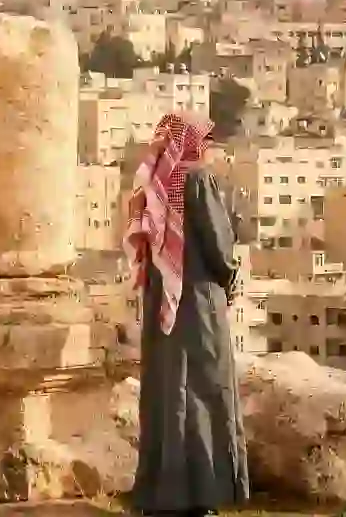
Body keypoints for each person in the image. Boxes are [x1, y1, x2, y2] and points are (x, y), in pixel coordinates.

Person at [123, 113, 250, 517]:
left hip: (163, 299)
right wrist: (231, 278)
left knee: (167, 392)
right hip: (197, 301)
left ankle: (162, 493)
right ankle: (199, 494)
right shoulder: (198, 179)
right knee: (204, 389)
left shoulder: (152, 184)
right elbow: (218, 242)